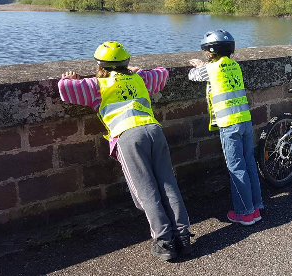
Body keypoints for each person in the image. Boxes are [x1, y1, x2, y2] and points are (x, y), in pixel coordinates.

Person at [58, 41, 192, 261]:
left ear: (100, 66)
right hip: (153, 130)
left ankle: (165, 241)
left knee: (145, 191)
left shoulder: (95, 86)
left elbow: (64, 90)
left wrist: (69, 78)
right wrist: (135, 71)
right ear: (126, 62)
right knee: (168, 184)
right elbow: (163, 73)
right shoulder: (141, 79)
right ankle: (183, 236)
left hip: (128, 135)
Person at [188, 30, 263, 226]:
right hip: (245, 120)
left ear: (211, 52)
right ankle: (255, 207)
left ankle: (245, 213)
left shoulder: (211, 69)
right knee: (249, 164)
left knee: (236, 168)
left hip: (229, 124)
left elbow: (192, 75)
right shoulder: (235, 65)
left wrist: (199, 65)